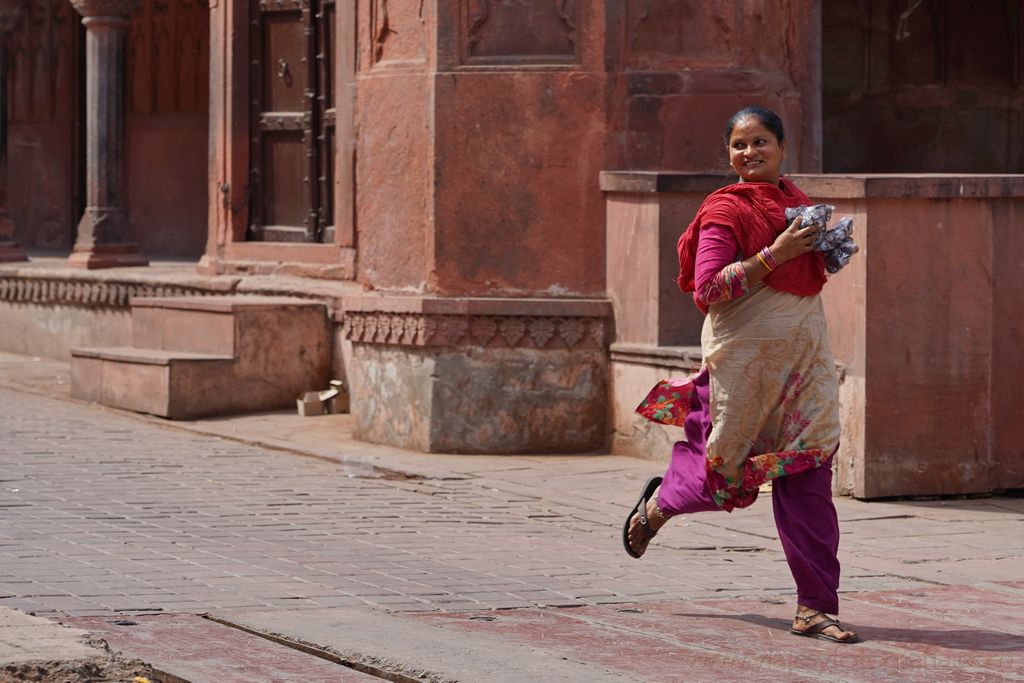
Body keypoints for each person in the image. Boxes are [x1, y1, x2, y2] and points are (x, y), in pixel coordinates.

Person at [622, 105, 859, 644]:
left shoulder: (799, 206)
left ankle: (815, 607)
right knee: (722, 476)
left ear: (782, 148)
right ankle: (660, 505)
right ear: (728, 154)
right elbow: (706, 290)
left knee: (809, 473)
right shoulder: (724, 210)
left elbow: (820, 270)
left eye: (760, 143)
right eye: (738, 145)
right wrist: (773, 255)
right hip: (742, 366)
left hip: (803, 362)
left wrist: (824, 243)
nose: (749, 153)